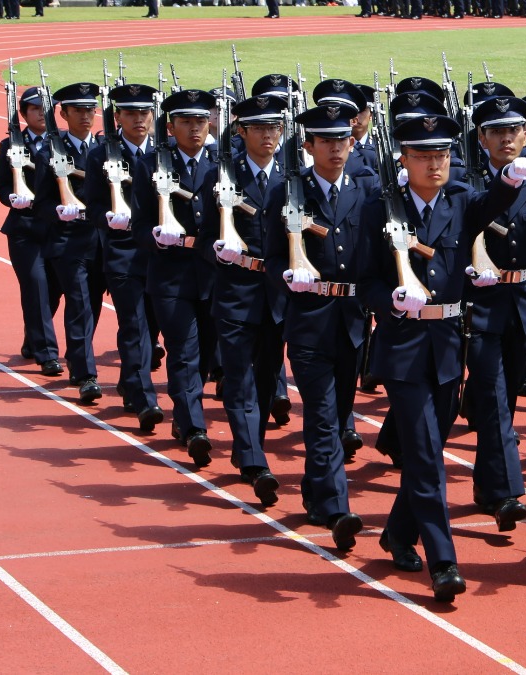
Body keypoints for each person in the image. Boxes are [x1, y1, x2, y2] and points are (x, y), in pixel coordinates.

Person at [357, 112, 526, 603]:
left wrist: (510, 177)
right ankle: (443, 561)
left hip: (449, 344)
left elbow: (493, 201)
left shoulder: (460, 200)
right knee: (425, 455)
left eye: (443, 155)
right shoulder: (379, 209)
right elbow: (365, 280)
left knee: (428, 451)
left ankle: (397, 532)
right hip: (403, 346)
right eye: (424, 156)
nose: (436, 164)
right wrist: (390, 300)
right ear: (403, 159)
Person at [268, 99, 376, 548]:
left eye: (343, 139)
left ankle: (315, 491)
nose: (336, 147)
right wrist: (288, 275)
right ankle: (336, 507)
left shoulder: (367, 191)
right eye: (326, 140)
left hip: (352, 319)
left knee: (339, 411)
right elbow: (272, 256)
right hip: (310, 319)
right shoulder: (287, 192)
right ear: (308, 145)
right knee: (323, 415)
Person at [199, 95, 290, 507]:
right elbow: (204, 237)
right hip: (236, 290)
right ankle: (255, 461)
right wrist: (217, 251)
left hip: (277, 294)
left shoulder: (292, 178)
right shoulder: (222, 176)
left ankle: (249, 446)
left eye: (274, 128)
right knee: (239, 378)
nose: (268, 135)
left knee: (268, 379)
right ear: (241, 132)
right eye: (259, 128)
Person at [462, 95, 526, 534]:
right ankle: (505, 493)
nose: (506, 138)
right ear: (481, 138)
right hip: (479, 304)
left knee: (506, 400)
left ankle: (485, 484)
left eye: (513, 129)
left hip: (522, 301)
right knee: (494, 401)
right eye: (496, 131)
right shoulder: (465, 181)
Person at [130, 88, 219, 468]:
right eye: (186, 121)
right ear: (170, 127)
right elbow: (137, 224)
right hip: (170, 274)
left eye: (201, 120)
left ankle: (183, 417)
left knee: (207, 355)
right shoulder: (150, 165)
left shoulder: (221, 163)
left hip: (213, 275)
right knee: (183, 351)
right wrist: (155, 236)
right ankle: (195, 426)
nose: (195, 128)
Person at [81, 83, 164, 433]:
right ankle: (144, 397)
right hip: (123, 252)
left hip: (160, 254)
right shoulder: (101, 155)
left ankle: (131, 380)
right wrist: (107, 218)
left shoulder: (163, 153)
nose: (139, 119)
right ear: (117, 117)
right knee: (134, 324)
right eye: (130, 113)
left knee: (153, 326)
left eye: (144, 112)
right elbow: (92, 205)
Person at [33, 82, 106, 405]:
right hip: (68, 240)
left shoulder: (105, 149)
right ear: (63, 114)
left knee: (93, 304)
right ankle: (86, 373)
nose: (86, 116)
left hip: (102, 241)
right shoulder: (50, 152)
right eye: (78, 110)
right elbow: (41, 203)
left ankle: (78, 358)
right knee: (79, 304)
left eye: (90, 109)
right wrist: (58, 211)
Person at [0, 85, 63, 378]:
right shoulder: (10, 144)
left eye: (46, 109)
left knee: (55, 290)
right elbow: (1, 185)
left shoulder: (63, 143)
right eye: (35, 109)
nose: (42, 114)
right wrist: (12, 197)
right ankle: (47, 354)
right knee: (36, 287)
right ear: (23, 114)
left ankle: (33, 337)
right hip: (25, 228)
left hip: (59, 228)